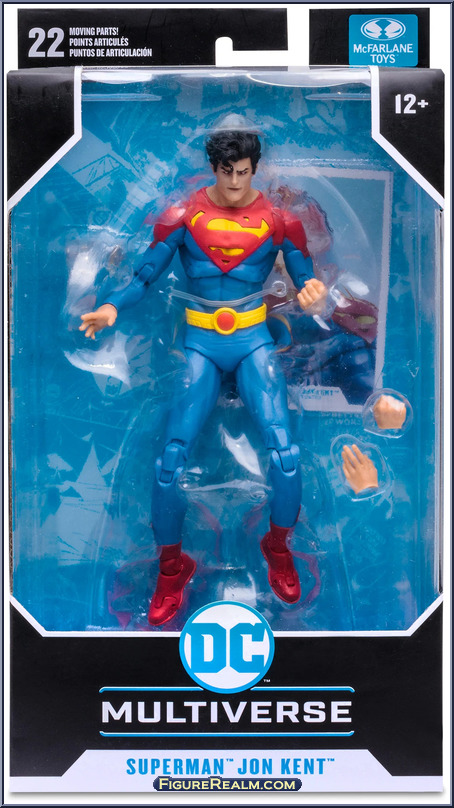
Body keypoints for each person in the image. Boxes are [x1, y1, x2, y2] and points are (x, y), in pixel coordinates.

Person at [80, 129, 329, 625]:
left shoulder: (280, 221)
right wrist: (111, 306)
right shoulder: (182, 216)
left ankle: (278, 547)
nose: (235, 183)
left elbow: (308, 281)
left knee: (285, 455)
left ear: (255, 169)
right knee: (170, 461)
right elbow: (144, 275)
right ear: (214, 168)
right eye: (227, 172)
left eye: (244, 173)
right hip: (201, 343)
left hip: (253, 339)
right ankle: (172, 567)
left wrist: (315, 294)